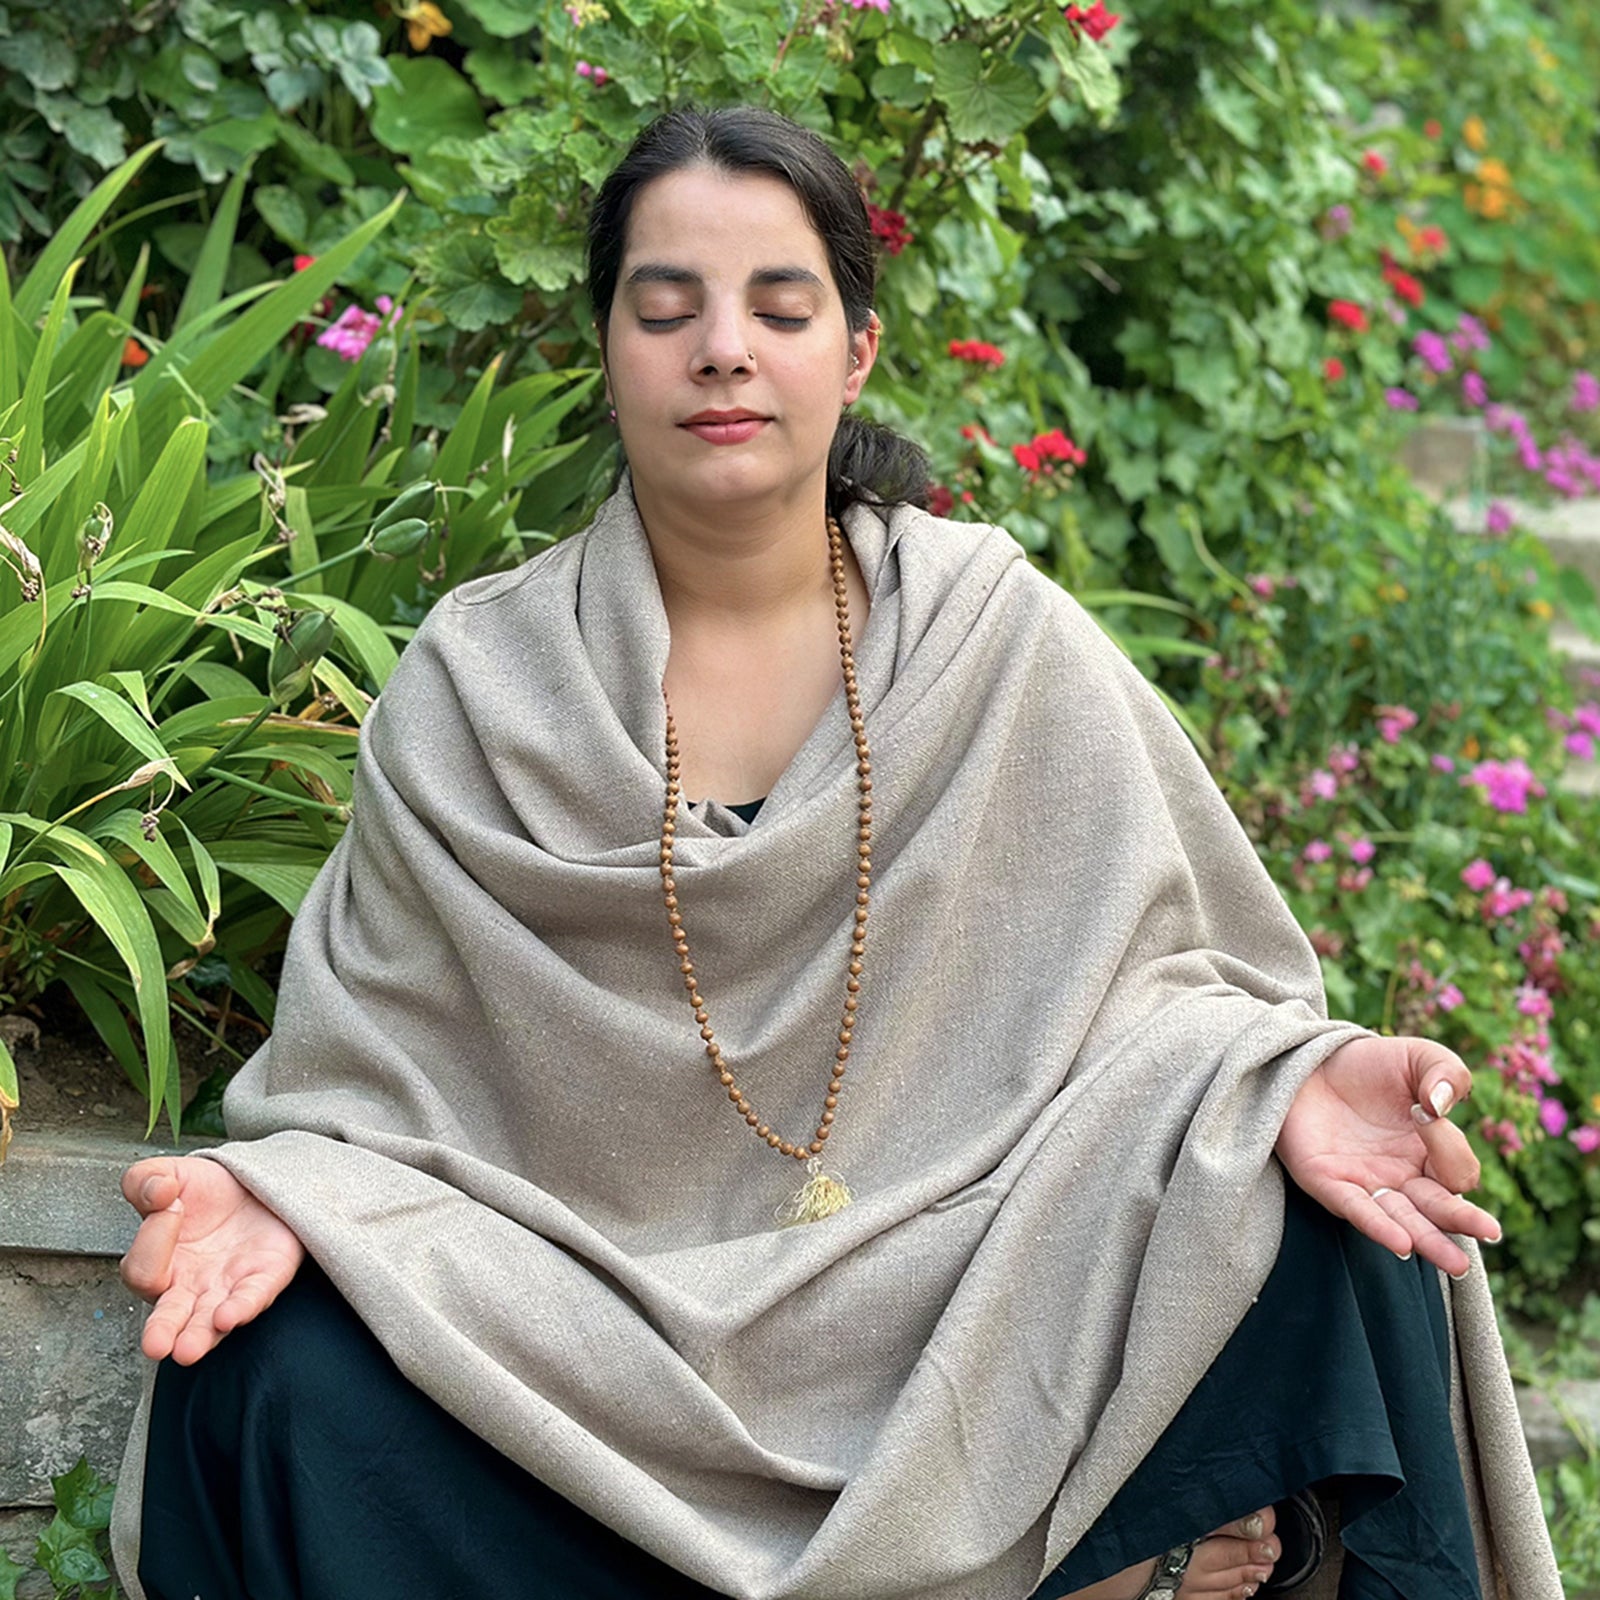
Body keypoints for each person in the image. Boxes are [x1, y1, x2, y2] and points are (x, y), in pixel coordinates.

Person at [112, 107, 1559, 1600]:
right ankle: (1093, 1573)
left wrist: (1282, 1082)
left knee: (1343, 1229)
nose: (722, 349)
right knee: (262, 1372)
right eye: (665, 308)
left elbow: (1159, 999)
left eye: (779, 308)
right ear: (606, 350)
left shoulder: (993, 642)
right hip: (588, 1345)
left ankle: (1067, 1552)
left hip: (962, 1315)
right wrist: (290, 1191)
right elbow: (373, 1090)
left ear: (856, 348)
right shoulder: (480, 687)